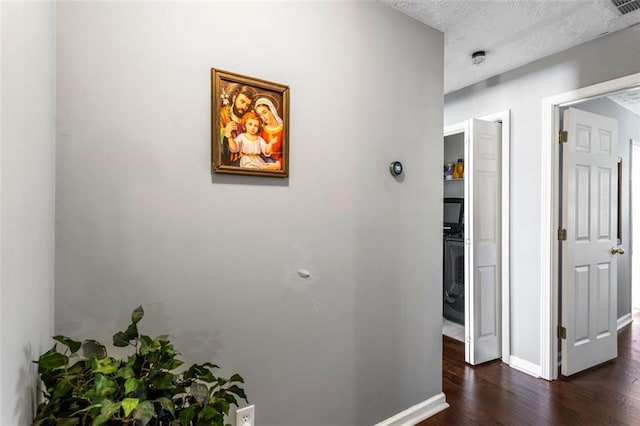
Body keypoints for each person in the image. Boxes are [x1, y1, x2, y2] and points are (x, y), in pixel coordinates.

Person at [219, 85, 257, 165]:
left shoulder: (249, 117)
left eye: (247, 105)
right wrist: (225, 132)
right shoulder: (223, 113)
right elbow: (215, 138)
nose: (244, 107)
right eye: (242, 102)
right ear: (234, 99)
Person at [254, 97, 284, 170]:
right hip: (261, 162)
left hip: (275, 163)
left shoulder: (283, 130)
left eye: (265, 112)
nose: (263, 117)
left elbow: (287, 152)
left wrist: (278, 164)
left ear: (272, 110)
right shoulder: (261, 129)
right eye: (260, 114)